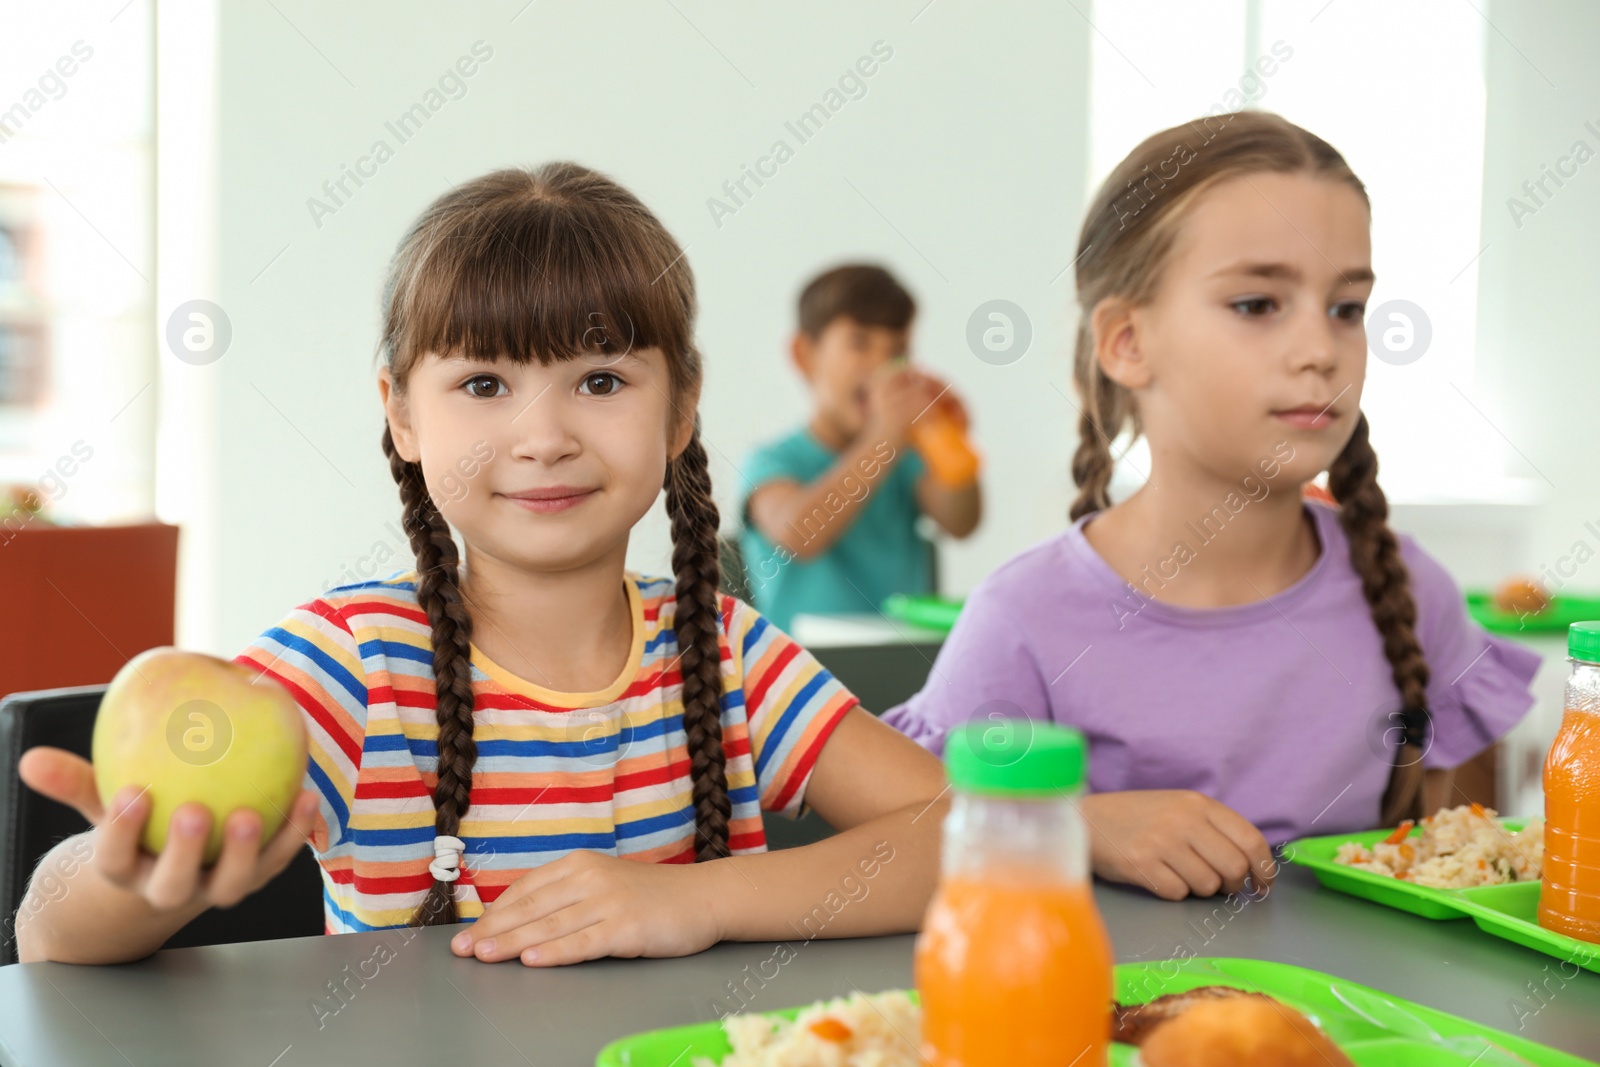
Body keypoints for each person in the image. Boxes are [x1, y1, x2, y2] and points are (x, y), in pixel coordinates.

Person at [16, 163, 947, 966]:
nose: (543, 437)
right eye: (484, 384)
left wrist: (692, 901)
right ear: (403, 413)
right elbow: (50, 935)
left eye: (601, 380)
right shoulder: (357, 662)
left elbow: (964, 835)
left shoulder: (727, 652)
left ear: (681, 407)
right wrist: (127, 877)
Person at [883, 111, 1540, 902]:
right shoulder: (1023, 622)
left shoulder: (1413, 590)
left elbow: (1470, 866)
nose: (1321, 350)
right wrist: (1085, 826)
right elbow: (916, 839)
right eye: (1258, 304)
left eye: (1347, 308)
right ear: (1127, 341)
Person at [739, 264, 981, 632]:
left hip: (894, 670)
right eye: (860, 342)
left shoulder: (905, 460)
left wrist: (950, 443)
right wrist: (885, 437)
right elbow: (800, 534)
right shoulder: (772, 461)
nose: (881, 364)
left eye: (897, 349)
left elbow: (962, 522)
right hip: (797, 679)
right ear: (805, 355)